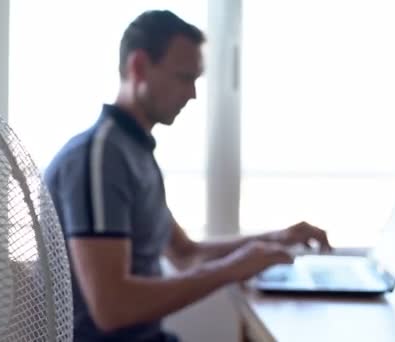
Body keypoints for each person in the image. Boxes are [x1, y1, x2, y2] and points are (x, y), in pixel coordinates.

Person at [44, 9, 331, 342]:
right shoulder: (99, 157)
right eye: (184, 78)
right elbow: (112, 309)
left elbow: (185, 255)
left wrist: (275, 238)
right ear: (139, 67)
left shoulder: (134, 153)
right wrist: (231, 269)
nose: (193, 94)